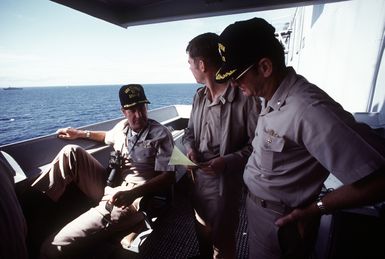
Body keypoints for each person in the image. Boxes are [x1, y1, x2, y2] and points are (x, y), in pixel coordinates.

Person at [215, 17, 385, 259]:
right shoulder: (271, 98)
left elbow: (379, 181)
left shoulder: (307, 108)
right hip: (258, 213)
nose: (232, 85)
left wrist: (317, 208)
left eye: (238, 76)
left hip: (281, 222)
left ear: (265, 67)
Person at [31, 84, 175, 258]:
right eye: (132, 110)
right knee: (72, 152)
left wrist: (132, 194)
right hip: (111, 186)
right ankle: (34, 207)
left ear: (147, 106)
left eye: (142, 108)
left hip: (133, 200)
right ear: (123, 111)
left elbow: (168, 177)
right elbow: (106, 136)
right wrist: (79, 133)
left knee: (51, 249)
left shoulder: (161, 134)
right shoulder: (122, 128)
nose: (139, 115)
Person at [182, 32, 259, 259]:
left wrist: (226, 162)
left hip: (225, 185)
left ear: (202, 64)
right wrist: (190, 149)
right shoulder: (199, 97)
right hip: (197, 180)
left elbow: (257, 147)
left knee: (223, 241)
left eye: (190, 64)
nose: (190, 69)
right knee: (202, 229)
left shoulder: (246, 99)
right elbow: (189, 133)